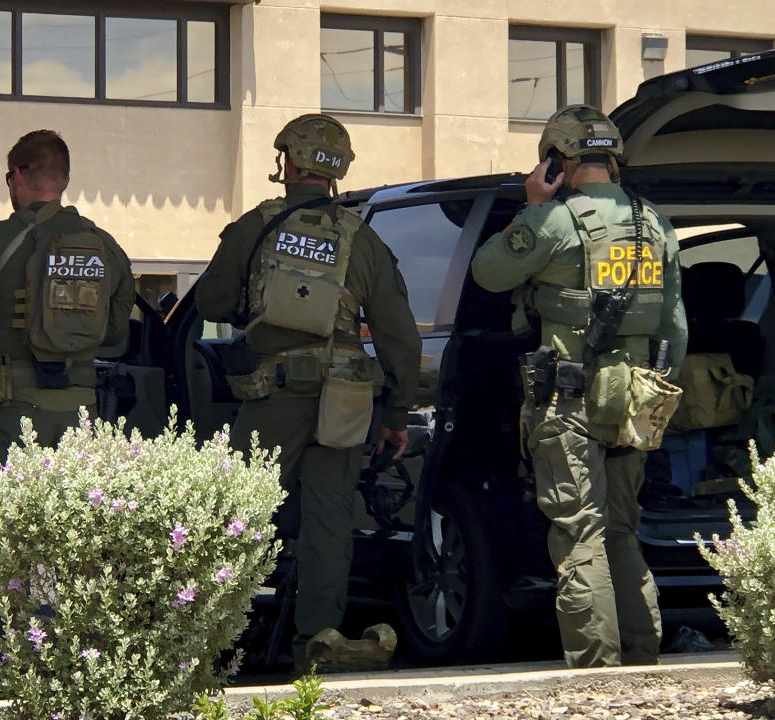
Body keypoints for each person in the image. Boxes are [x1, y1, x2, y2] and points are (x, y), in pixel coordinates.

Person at [194, 114, 421, 670]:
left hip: (274, 393)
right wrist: (395, 412)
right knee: (328, 520)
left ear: (289, 163)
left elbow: (208, 304)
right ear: (337, 170)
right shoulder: (362, 239)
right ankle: (316, 645)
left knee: (236, 513)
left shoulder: (256, 226)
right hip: (345, 398)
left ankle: (210, 640)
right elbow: (400, 339)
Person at [471, 104, 688, 668]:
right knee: (622, 528)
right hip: (635, 397)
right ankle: (642, 656)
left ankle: (597, 668)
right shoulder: (655, 222)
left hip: (567, 399)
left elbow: (489, 272)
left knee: (579, 530)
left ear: (556, 158)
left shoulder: (556, 220)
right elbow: (675, 327)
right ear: (613, 156)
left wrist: (532, 206)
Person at [0, 129, 136, 547]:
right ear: (63, 179)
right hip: (81, 414)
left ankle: (9, 616)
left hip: (10, 411)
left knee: (2, 543)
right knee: (72, 544)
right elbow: (116, 332)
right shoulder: (105, 247)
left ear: (18, 176)